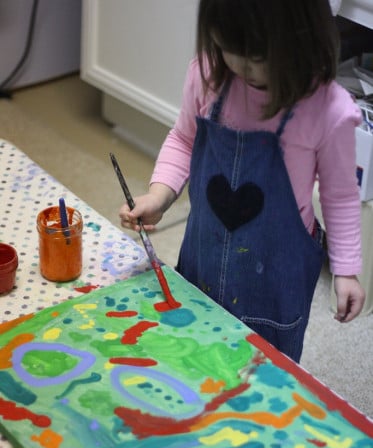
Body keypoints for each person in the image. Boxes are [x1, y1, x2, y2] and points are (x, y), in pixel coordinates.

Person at [119, 0, 365, 362]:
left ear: (303, 37)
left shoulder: (328, 109)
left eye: (259, 56)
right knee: (192, 360)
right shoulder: (209, 76)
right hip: (201, 262)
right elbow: (184, 139)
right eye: (230, 49)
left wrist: (345, 270)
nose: (243, 66)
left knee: (260, 379)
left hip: (275, 286)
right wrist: (160, 195)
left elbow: (341, 195)